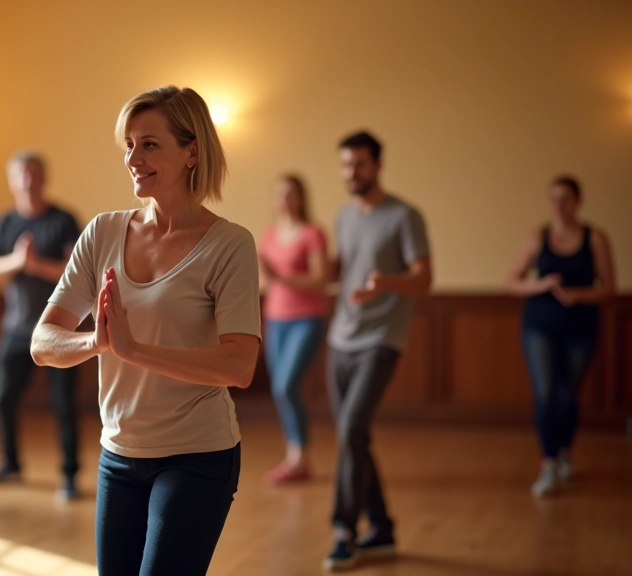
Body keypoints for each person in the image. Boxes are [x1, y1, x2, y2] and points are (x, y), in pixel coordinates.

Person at [30, 86, 261, 576]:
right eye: (129, 145)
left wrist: (134, 349)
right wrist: (97, 342)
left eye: (150, 144)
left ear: (192, 151)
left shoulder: (229, 246)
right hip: (119, 454)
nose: (133, 157)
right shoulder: (102, 232)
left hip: (198, 455)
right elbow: (43, 342)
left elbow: (239, 366)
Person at [323, 131, 432, 571]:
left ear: (378, 166)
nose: (351, 173)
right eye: (346, 165)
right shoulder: (343, 217)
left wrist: (384, 283)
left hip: (382, 339)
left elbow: (424, 278)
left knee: (351, 429)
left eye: (360, 165)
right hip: (340, 338)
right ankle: (382, 527)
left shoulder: (405, 216)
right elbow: (344, 268)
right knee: (354, 436)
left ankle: (343, 531)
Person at [0, 151, 82, 501]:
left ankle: (69, 475)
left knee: (63, 404)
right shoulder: (4, 222)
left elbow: (77, 272)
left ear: (44, 179)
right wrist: (18, 261)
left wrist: (37, 267)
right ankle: (10, 464)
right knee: (1, 398)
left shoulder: (65, 220)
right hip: (17, 329)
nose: (28, 181)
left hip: (62, 329)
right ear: (12, 181)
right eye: (22, 175)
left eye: (34, 174)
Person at [506, 176, 615, 498]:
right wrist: (539, 286)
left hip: (580, 327)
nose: (559, 206)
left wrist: (578, 295)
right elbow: (512, 280)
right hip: (540, 325)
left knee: (568, 395)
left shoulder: (595, 238)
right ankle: (548, 462)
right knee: (546, 393)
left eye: (565, 199)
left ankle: (564, 449)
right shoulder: (536, 237)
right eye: (554, 199)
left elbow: (608, 288)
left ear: (577, 201)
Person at [258, 174, 329, 484]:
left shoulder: (313, 234)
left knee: (286, 386)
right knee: (281, 390)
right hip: (275, 318)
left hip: (307, 318)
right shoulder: (269, 236)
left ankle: (298, 458)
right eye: (280, 194)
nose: (285, 200)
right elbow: (264, 282)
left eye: (291, 194)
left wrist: (281, 277)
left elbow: (320, 278)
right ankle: (296, 457)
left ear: (301, 198)